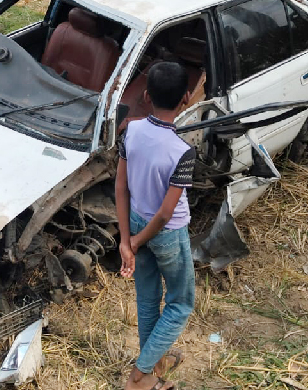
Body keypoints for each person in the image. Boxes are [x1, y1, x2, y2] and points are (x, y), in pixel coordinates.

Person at [116, 61, 195, 390]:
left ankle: (153, 371)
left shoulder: (130, 130)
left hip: (134, 221)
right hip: (167, 234)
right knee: (180, 303)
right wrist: (135, 243)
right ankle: (141, 373)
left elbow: (120, 187)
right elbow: (165, 214)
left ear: (146, 96)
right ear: (186, 98)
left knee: (148, 301)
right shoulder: (182, 152)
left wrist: (126, 239)